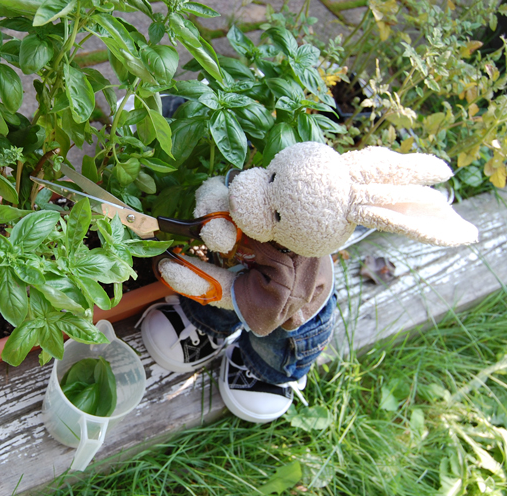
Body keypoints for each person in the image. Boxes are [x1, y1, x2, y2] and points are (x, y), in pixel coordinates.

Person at [138, 142, 479, 423]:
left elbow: (230, 293)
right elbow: (222, 192)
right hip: (250, 274)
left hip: (288, 317)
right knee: (232, 298)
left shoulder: (289, 279)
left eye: (276, 213)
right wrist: (213, 210)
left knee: (272, 344)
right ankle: (206, 326)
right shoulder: (275, 200)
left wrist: (200, 282)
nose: (247, 190)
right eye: (270, 178)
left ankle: (265, 372)